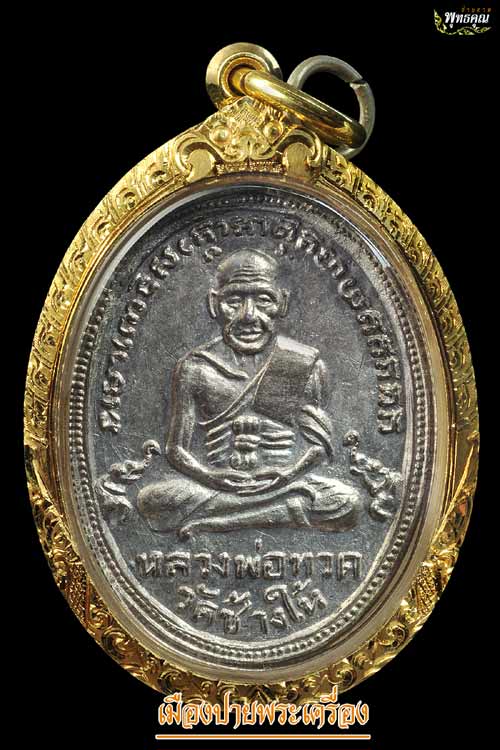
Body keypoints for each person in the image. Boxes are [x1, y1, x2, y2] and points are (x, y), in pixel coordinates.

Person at [137, 249, 360, 539]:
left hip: (283, 484)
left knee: (347, 502)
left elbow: (319, 447)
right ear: (214, 304)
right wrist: (212, 477)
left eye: (264, 299)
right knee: (153, 501)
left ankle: (217, 522)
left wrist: (288, 473)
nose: (249, 316)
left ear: (282, 303)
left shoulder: (302, 363)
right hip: (216, 486)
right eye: (234, 301)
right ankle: (268, 515)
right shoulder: (196, 368)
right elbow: (176, 450)